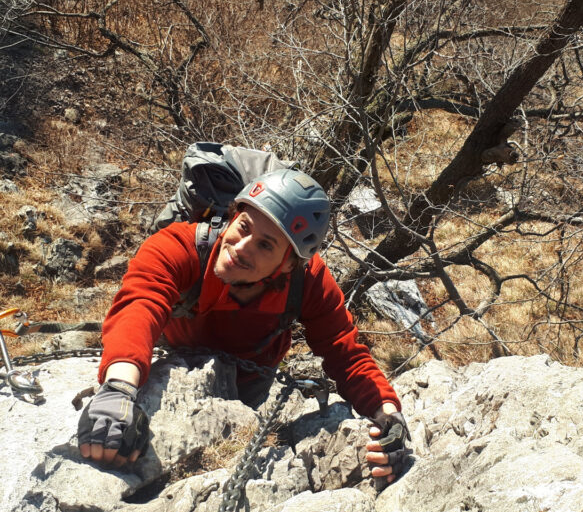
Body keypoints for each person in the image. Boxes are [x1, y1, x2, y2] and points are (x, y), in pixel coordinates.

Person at [78, 168, 411, 484]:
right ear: (233, 214)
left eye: (265, 245)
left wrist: (388, 416)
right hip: (179, 364)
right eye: (244, 226)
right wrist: (119, 389)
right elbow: (139, 307)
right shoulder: (179, 247)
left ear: (289, 264)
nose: (240, 248)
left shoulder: (308, 282)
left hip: (250, 384)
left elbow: (345, 352)